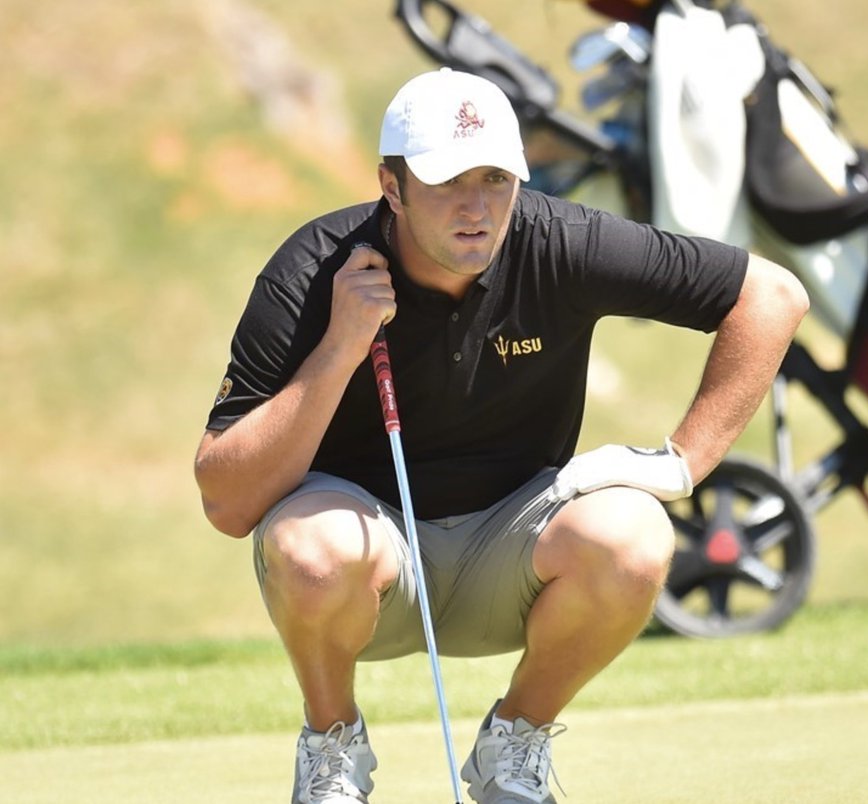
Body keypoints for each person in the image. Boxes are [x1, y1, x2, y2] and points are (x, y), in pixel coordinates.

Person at [194, 66, 808, 803]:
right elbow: (227, 502)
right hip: (370, 567)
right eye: (449, 181)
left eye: (495, 178)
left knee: (635, 535)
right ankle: (332, 749)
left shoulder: (560, 241)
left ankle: (514, 746)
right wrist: (338, 348)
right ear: (392, 187)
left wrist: (682, 464)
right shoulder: (314, 267)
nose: (476, 207)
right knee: (308, 547)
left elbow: (772, 296)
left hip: (514, 554)